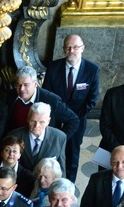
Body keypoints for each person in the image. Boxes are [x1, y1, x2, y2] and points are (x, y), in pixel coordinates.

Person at [41, 34, 100, 182]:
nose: (71, 50)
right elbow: (47, 95)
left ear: (82, 48)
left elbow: (91, 100)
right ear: (63, 49)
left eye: (75, 47)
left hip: (77, 120)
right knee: (51, 152)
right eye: (68, 47)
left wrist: (72, 118)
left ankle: (69, 185)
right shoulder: (53, 67)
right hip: (55, 120)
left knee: (72, 154)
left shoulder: (92, 70)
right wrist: (59, 116)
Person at [5, 65, 79, 141]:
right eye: (18, 85)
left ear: (35, 84)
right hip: (16, 144)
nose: (21, 89)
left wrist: (58, 141)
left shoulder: (51, 100)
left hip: (41, 146)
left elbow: (73, 120)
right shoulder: (10, 96)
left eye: (26, 85)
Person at [7, 102, 67, 173]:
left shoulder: (59, 137)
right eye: (33, 121)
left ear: (48, 121)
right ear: (28, 118)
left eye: (41, 122)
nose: (36, 126)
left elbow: (61, 169)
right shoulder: (14, 135)